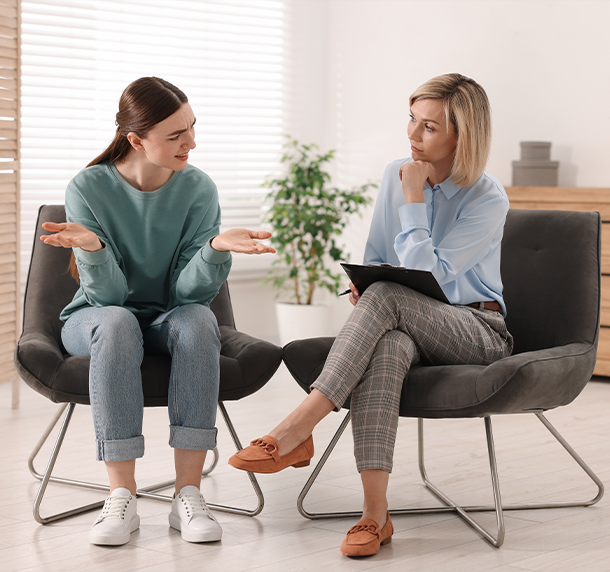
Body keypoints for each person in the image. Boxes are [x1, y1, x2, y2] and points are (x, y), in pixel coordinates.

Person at [228, 73, 514, 557]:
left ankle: (299, 427)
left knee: (388, 297)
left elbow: (435, 277)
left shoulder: (487, 197)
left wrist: (414, 199)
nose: (411, 134)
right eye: (411, 120)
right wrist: (361, 289)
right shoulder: (395, 173)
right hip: (406, 323)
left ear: (461, 136)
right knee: (387, 345)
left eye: (428, 127)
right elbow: (379, 256)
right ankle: (374, 516)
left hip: (476, 328)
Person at [41, 77, 275, 547]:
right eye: (175, 135)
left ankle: (187, 495)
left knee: (197, 320)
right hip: (96, 319)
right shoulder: (88, 187)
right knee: (119, 320)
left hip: (168, 316)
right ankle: (120, 496)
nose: (191, 142)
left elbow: (187, 296)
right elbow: (107, 297)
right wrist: (94, 246)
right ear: (136, 140)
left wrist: (212, 249)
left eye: (192, 127)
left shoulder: (197, 188)